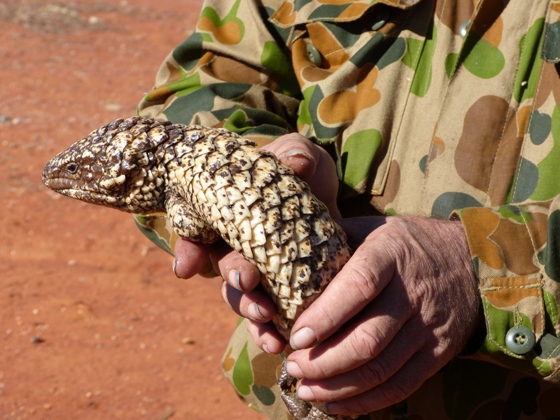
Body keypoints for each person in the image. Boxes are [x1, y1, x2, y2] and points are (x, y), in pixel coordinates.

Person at [135, 0, 560, 417]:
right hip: (301, 397)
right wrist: (260, 176)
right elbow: (210, 77)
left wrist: (489, 270)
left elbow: (490, 271)